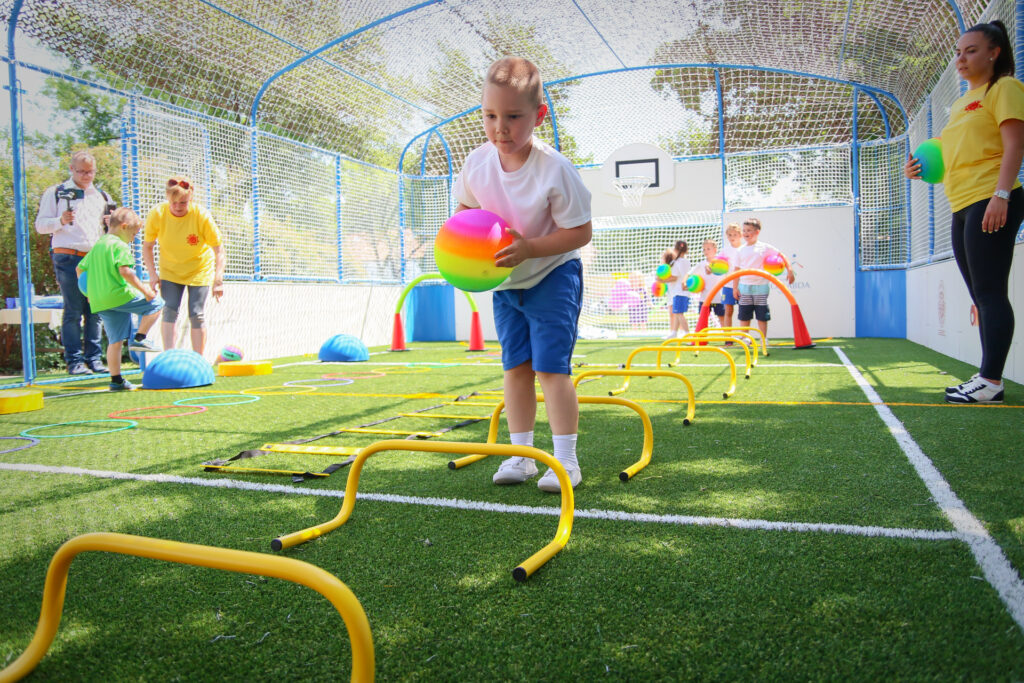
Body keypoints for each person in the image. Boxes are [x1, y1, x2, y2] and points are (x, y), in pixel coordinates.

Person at [452, 56, 592, 492]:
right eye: (491, 116)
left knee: (552, 369)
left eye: (513, 116)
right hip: (506, 283)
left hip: (552, 274)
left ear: (539, 116)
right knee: (516, 368)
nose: (501, 128)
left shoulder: (555, 170)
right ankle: (521, 456)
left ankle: (565, 460)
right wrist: (463, 249)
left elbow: (580, 231)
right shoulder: (477, 164)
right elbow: (464, 213)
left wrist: (530, 248)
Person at [905, 20, 1024, 404]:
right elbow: (948, 153)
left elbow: (1015, 145)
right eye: (958, 52)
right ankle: (989, 378)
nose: (961, 58)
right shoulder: (959, 104)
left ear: (995, 53)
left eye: (971, 50)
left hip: (991, 198)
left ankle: (990, 380)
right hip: (961, 204)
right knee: (981, 294)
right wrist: (918, 166)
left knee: (990, 293)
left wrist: (1001, 195)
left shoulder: (1003, 88)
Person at [34, 150, 115, 375]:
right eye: (81, 171)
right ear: (71, 169)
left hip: (94, 257)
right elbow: (40, 226)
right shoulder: (56, 193)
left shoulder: (101, 195)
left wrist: (110, 223)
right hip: (67, 255)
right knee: (73, 310)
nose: (86, 176)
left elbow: (108, 230)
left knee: (96, 310)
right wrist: (60, 221)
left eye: (90, 172)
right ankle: (75, 361)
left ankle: (95, 359)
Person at [76, 208, 163, 391]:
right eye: (133, 234)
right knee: (156, 304)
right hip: (119, 294)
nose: (133, 239)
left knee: (115, 341)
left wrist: (89, 293)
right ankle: (139, 338)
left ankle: (116, 381)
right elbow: (125, 271)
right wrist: (145, 290)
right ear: (124, 227)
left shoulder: (99, 244)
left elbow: (79, 270)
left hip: (101, 301)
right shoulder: (119, 245)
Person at [143, 177, 225, 356]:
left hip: (199, 270)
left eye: (183, 203)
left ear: (191, 199)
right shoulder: (157, 214)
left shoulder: (201, 215)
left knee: (196, 314)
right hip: (170, 271)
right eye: (174, 203)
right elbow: (147, 246)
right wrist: (152, 274)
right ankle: (169, 357)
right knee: (169, 310)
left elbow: (219, 250)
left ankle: (198, 359)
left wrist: (218, 279)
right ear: (167, 198)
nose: (178, 207)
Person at [735, 217, 794, 344]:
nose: (746, 233)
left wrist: (789, 270)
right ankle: (745, 338)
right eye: (744, 230)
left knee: (762, 314)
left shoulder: (764, 247)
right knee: (744, 313)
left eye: (749, 230)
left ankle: (763, 338)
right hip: (745, 287)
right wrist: (735, 287)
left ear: (757, 232)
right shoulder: (740, 250)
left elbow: (781, 255)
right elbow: (736, 270)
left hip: (761, 287)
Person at [691, 239, 725, 327]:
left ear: (715, 250)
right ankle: (702, 339)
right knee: (703, 319)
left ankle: (728, 338)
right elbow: (691, 275)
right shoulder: (701, 264)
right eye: (704, 249)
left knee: (722, 318)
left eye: (708, 249)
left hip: (719, 297)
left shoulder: (720, 263)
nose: (706, 251)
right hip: (704, 297)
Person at [662, 241, 691, 338]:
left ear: (675, 250)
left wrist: (662, 280)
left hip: (678, 292)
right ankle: (674, 332)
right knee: (677, 312)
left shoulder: (677, 262)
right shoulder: (687, 261)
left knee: (679, 313)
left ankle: (687, 334)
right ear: (686, 251)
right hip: (685, 291)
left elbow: (674, 277)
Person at [719, 223, 743, 331]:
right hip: (728, 284)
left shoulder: (744, 249)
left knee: (744, 311)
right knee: (728, 310)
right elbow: (717, 264)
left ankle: (744, 337)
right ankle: (728, 338)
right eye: (730, 235)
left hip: (743, 284)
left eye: (735, 235)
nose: (732, 237)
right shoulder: (725, 250)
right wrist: (710, 267)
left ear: (740, 235)